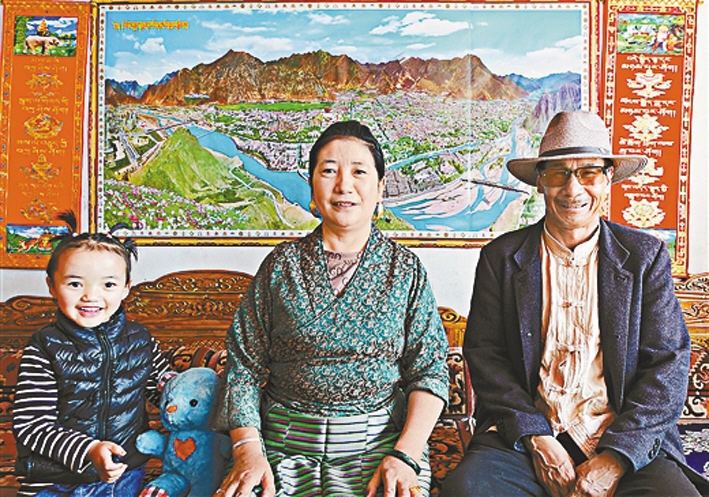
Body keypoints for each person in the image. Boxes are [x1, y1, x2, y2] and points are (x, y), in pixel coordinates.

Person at [440, 110, 709, 497]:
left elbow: (667, 365)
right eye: (558, 173)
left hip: (621, 437)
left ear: (608, 178)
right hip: (525, 437)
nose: (573, 189)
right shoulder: (502, 258)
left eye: (588, 173)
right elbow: (486, 356)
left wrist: (616, 458)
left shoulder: (644, 257)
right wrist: (536, 437)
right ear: (540, 182)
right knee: (466, 490)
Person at [214, 120, 450, 497]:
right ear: (312, 185)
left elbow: (430, 371)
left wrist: (404, 456)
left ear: (380, 188)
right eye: (328, 171)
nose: (343, 185)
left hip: (380, 449)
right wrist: (248, 451)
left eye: (359, 172)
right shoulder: (280, 266)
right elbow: (242, 367)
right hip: (281, 449)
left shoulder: (405, 270)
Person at [12, 211, 172, 497]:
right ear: (52, 286)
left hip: (123, 476)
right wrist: (88, 449)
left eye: (108, 284)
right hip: (55, 482)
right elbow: (32, 424)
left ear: (126, 288)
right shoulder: (44, 346)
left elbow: (165, 390)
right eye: (75, 283)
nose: (90, 296)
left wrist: (198, 387)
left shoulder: (141, 339)